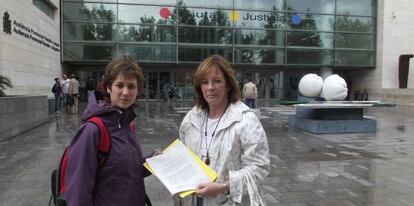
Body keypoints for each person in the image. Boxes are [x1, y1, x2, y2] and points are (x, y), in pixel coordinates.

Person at [63, 55, 155, 206]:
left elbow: (123, 172)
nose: (125, 92)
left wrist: (152, 162)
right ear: (108, 87)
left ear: (138, 91)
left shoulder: (127, 125)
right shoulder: (92, 130)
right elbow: (78, 194)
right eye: (120, 85)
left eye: (131, 86)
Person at [179, 55, 270, 206]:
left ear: (228, 85)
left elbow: (259, 169)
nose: (210, 87)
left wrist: (223, 187)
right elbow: (184, 156)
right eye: (204, 82)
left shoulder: (246, 120)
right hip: (194, 199)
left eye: (217, 81)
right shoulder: (191, 118)